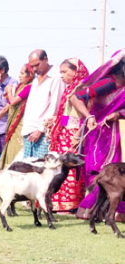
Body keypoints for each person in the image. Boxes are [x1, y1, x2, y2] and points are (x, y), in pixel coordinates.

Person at [71, 50, 125, 220]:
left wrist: (118, 114)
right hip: (98, 131)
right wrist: (89, 117)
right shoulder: (109, 83)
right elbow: (76, 98)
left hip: (114, 131)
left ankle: (113, 211)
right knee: (101, 171)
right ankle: (89, 208)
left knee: (114, 171)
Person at [48, 58, 89, 212]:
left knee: (73, 169)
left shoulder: (83, 88)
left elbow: (86, 115)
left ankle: (72, 204)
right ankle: (60, 203)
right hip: (65, 132)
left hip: (75, 134)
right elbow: (67, 114)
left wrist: (78, 135)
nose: (62, 76)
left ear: (76, 71)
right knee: (61, 168)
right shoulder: (70, 88)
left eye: (65, 72)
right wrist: (55, 120)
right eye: (61, 72)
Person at [20, 49, 65, 159]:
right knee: (26, 169)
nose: (35, 69)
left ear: (45, 59)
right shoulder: (36, 78)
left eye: (37, 65)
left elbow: (55, 107)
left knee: (40, 169)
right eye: (32, 66)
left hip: (42, 133)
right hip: (29, 130)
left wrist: (40, 129)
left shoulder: (56, 78)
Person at [0, 64, 34, 169]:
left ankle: (13, 170)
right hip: (14, 123)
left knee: (16, 148)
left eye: (22, 73)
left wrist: (9, 92)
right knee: (10, 146)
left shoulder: (29, 87)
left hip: (21, 123)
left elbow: (13, 102)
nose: (19, 76)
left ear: (29, 75)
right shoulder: (20, 86)